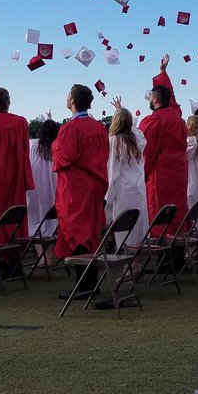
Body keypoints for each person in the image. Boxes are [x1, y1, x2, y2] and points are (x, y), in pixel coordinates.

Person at [53, 84, 110, 300]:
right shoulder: (99, 127)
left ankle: (85, 286)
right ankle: (90, 284)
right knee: (90, 232)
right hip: (95, 186)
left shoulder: (70, 128)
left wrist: (55, 146)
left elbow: (65, 157)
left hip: (76, 189)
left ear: (73, 101)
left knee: (78, 234)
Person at [0, 87, 34, 275]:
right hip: (16, 177)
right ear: (8, 102)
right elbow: (24, 150)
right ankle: (15, 262)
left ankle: (0, 265)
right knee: (15, 218)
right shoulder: (20, 122)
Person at [139, 55, 189, 227]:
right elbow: (171, 100)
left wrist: (142, 174)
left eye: (151, 97)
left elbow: (147, 151)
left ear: (155, 100)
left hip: (160, 175)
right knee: (178, 209)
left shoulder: (155, 120)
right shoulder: (176, 117)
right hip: (179, 172)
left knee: (160, 215)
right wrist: (162, 72)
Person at [106, 101, 148, 247]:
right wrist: (121, 111)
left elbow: (111, 169)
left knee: (124, 228)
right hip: (138, 187)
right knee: (138, 223)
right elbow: (135, 130)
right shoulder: (137, 138)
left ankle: (127, 256)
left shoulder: (113, 141)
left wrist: (107, 197)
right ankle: (138, 256)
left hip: (122, 189)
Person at [26, 119, 60, 239]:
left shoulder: (32, 145)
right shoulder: (58, 146)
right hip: (53, 186)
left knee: (35, 219)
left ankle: (40, 248)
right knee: (50, 217)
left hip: (36, 186)